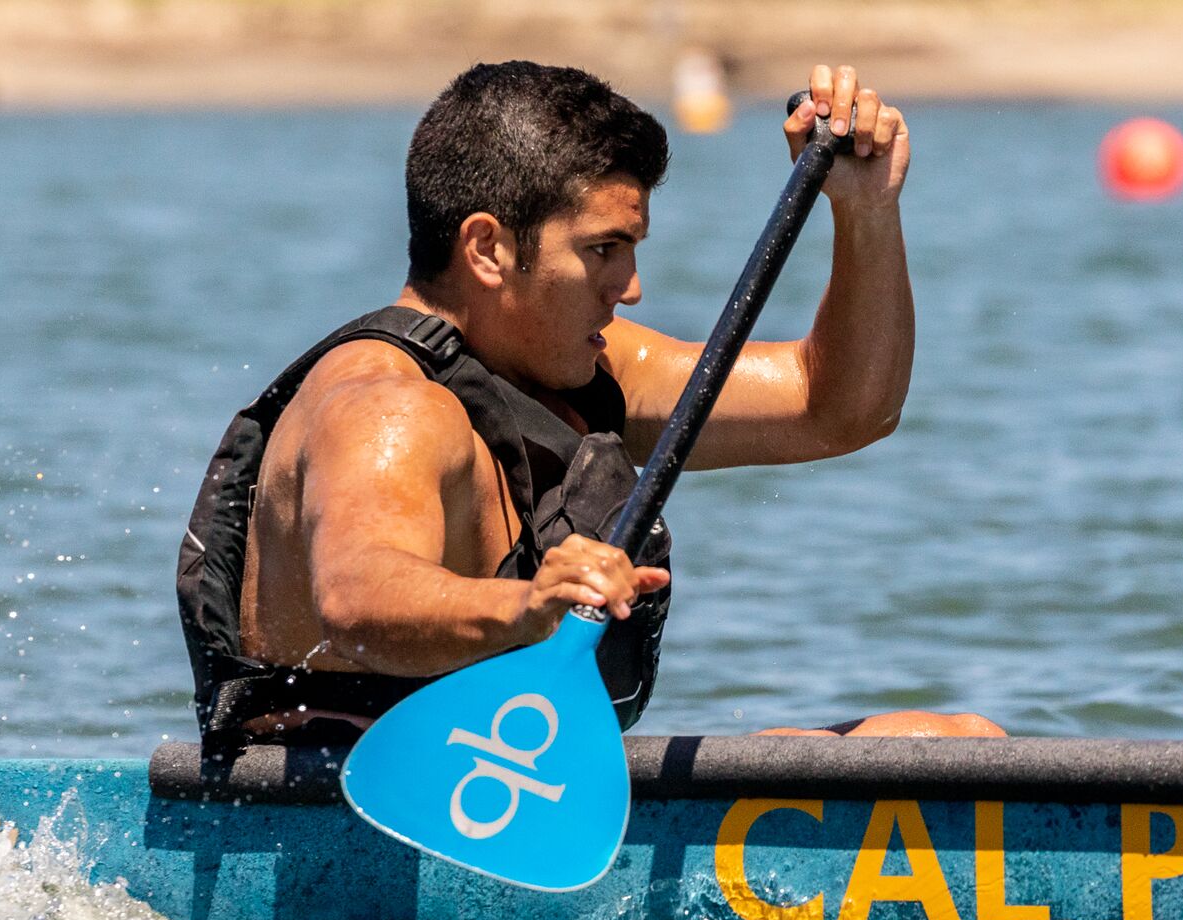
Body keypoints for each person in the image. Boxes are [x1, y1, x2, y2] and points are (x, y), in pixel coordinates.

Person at [176, 60, 1003, 751]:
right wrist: (530, 604)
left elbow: (840, 408)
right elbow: (358, 601)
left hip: (522, 791)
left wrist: (864, 212)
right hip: (367, 808)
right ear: (489, 248)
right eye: (603, 251)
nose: (632, 287)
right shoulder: (388, 408)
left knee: (955, 744)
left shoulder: (582, 367)